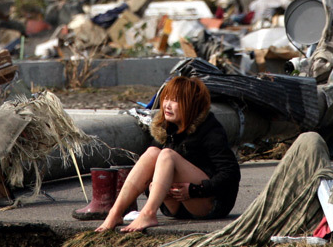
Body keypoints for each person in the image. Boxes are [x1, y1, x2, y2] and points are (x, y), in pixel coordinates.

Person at [95, 76, 240, 232]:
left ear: (191, 104)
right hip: (175, 207)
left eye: (175, 100)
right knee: (152, 152)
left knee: (167, 155)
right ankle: (115, 213)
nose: (167, 105)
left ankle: (148, 213)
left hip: (208, 203)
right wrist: (153, 188)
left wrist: (195, 190)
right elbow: (148, 175)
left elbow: (231, 173)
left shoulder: (210, 129)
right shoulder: (166, 129)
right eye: (166, 99)